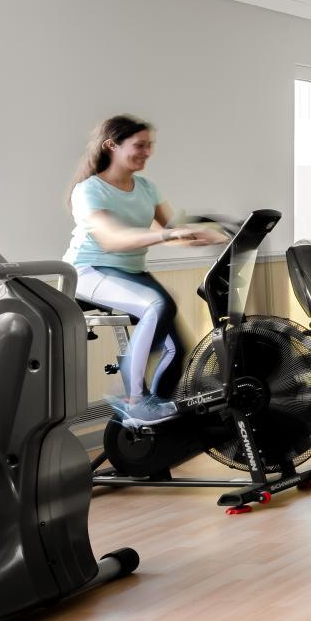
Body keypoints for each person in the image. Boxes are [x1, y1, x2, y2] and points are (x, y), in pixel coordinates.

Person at [65, 115, 224, 425]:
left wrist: (209, 233)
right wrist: (167, 235)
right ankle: (133, 399)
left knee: (177, 348)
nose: (147, 152)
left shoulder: (147, 187)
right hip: (90, 272)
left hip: (131, 273)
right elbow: (111, 239)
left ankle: (159, 411)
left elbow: (174, 228)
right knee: (158, 304)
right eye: (139, 145)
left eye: (150, 146)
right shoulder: (89, 190)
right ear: (112, 145)